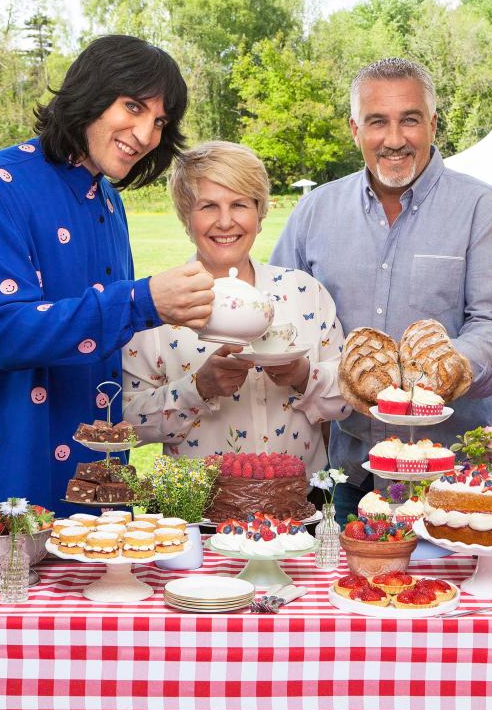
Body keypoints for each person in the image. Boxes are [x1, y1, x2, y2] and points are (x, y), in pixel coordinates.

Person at [0, 35, 216, 512]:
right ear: (90, 94)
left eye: (159, 121)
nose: (146, 134)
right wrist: (143, 301)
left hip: (102, 481)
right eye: (132, 107)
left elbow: (111, 341)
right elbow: (9, 333)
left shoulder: (110, 203)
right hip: (15, 475)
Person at [271, 57, 492, 523]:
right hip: (350, 467)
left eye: (409, 119)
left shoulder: (484, 209)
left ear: (432, 123)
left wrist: (443, 371)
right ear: (354, 128)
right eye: (377, 122)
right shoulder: (315, 211)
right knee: (347, 591)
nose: (394, 139)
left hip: (453, 472)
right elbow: (281, 310)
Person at [122, 141, 348, 476]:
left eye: (240, 204)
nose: (225, 222)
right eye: (208, 206)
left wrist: (302, 376)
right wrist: (198, 388)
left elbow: (347, 396)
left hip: (301, 509)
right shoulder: (159, 306)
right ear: (186, 217)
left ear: (260, 214)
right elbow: (129, 425)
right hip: (198, 510)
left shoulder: (304, 293)